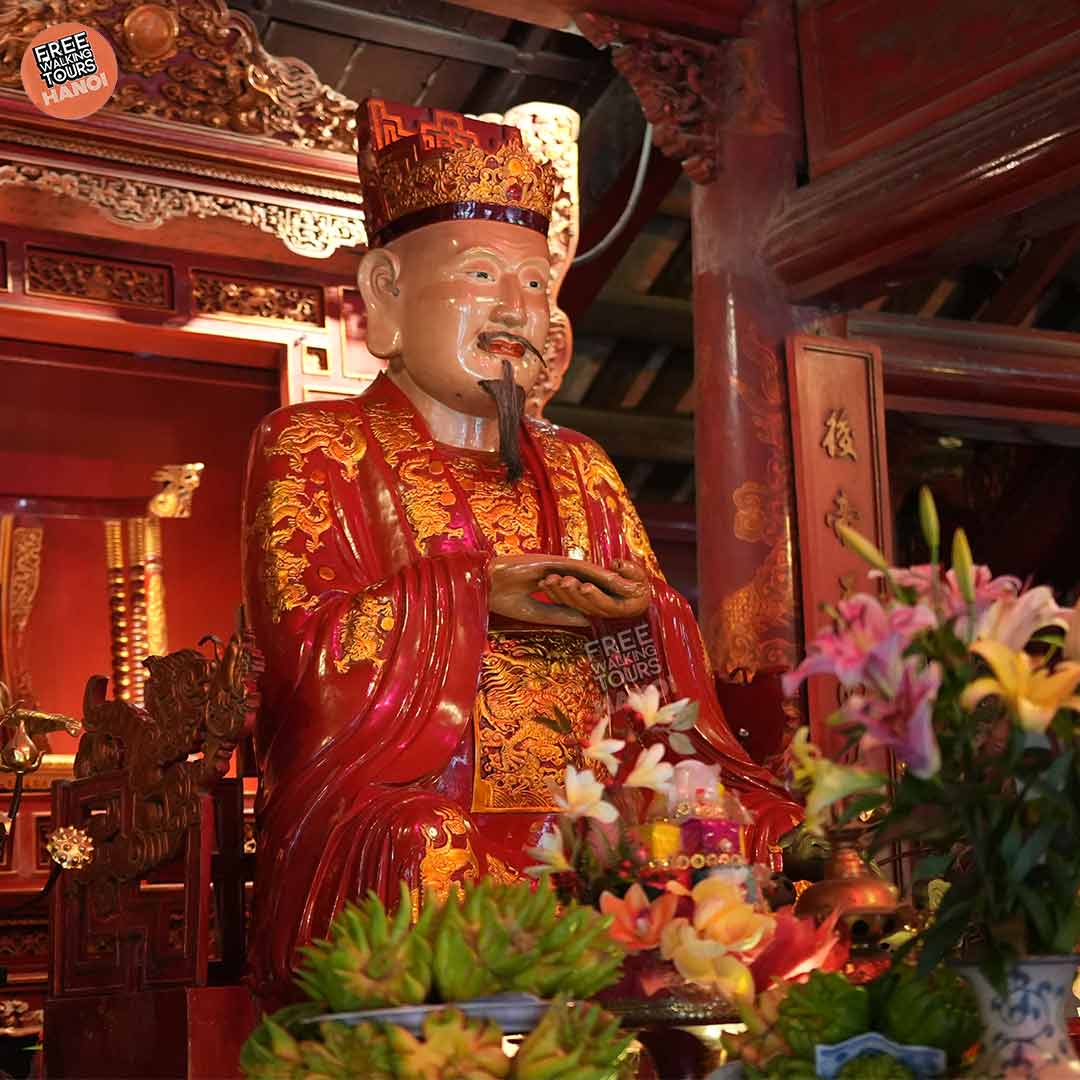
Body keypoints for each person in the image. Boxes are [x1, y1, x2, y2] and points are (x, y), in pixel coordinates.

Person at [243, 98, 801, 1000]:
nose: (518, 309)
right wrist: (471, 592)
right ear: (385, 290)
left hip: (597, 802)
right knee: (422, 847)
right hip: (414, 793)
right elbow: (305, 651)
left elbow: (663, 666)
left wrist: (640, 616)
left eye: (538, 284)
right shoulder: (314, 445)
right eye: (481, 275)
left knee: (756, 825)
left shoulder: (582, 463)